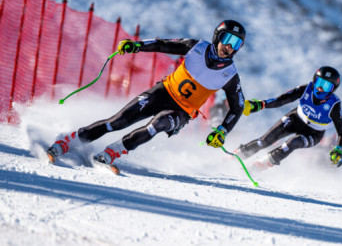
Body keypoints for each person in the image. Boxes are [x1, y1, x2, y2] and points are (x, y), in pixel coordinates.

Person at [47, 20, 246, 167]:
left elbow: (238, 107)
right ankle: (68, 141)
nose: (229, 47)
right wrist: (136, 46)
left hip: (182, 111)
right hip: (163, 92)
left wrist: (222, 131)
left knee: (156, 125)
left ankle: (112, 152)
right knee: (117, 121)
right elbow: (162, 44)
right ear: (217, 37)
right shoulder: (196, 47)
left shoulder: (230, 75)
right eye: (227, 39)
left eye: (236, 44)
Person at [234, 66, 342, 169]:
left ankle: (260, 166)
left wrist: (339, 149)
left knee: (293, 143)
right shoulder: (305, 89)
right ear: (314, 80)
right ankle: (235, 157)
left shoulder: (334, 105)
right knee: (264, 141)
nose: (320, 88)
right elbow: (281, 100)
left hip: (314, 133)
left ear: (333, 89)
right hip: (295, 119)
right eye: (319, 83)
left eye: (326, 86)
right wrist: (260, 104)